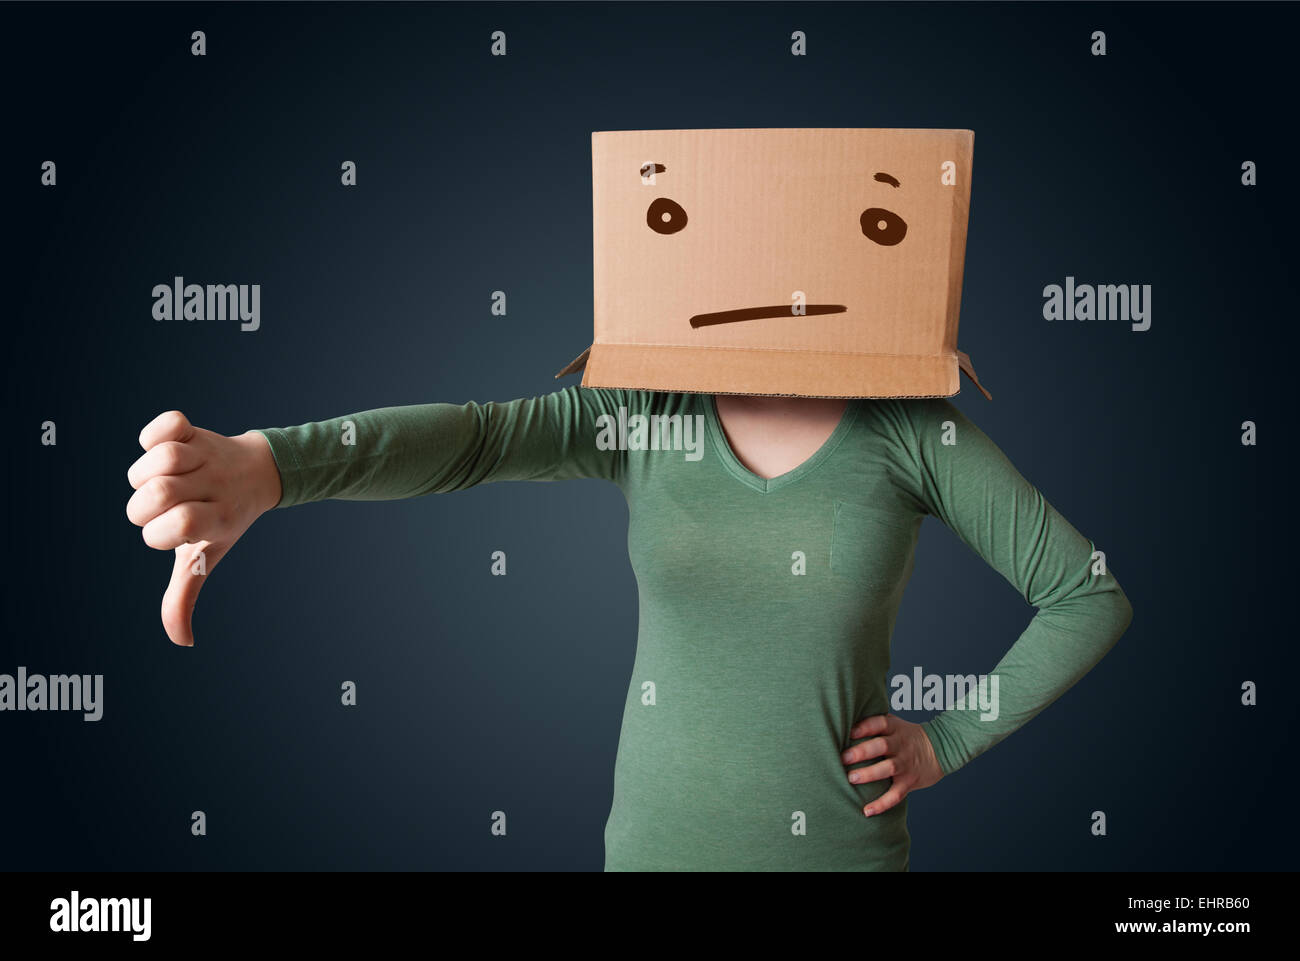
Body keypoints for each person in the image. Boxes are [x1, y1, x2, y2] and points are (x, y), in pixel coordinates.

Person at [125, 387, 1133, 871]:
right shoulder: (650, 412)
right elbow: (477, 439)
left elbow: (1086, 593)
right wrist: (276, 465)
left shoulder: (915, 430)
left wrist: (947, 736)